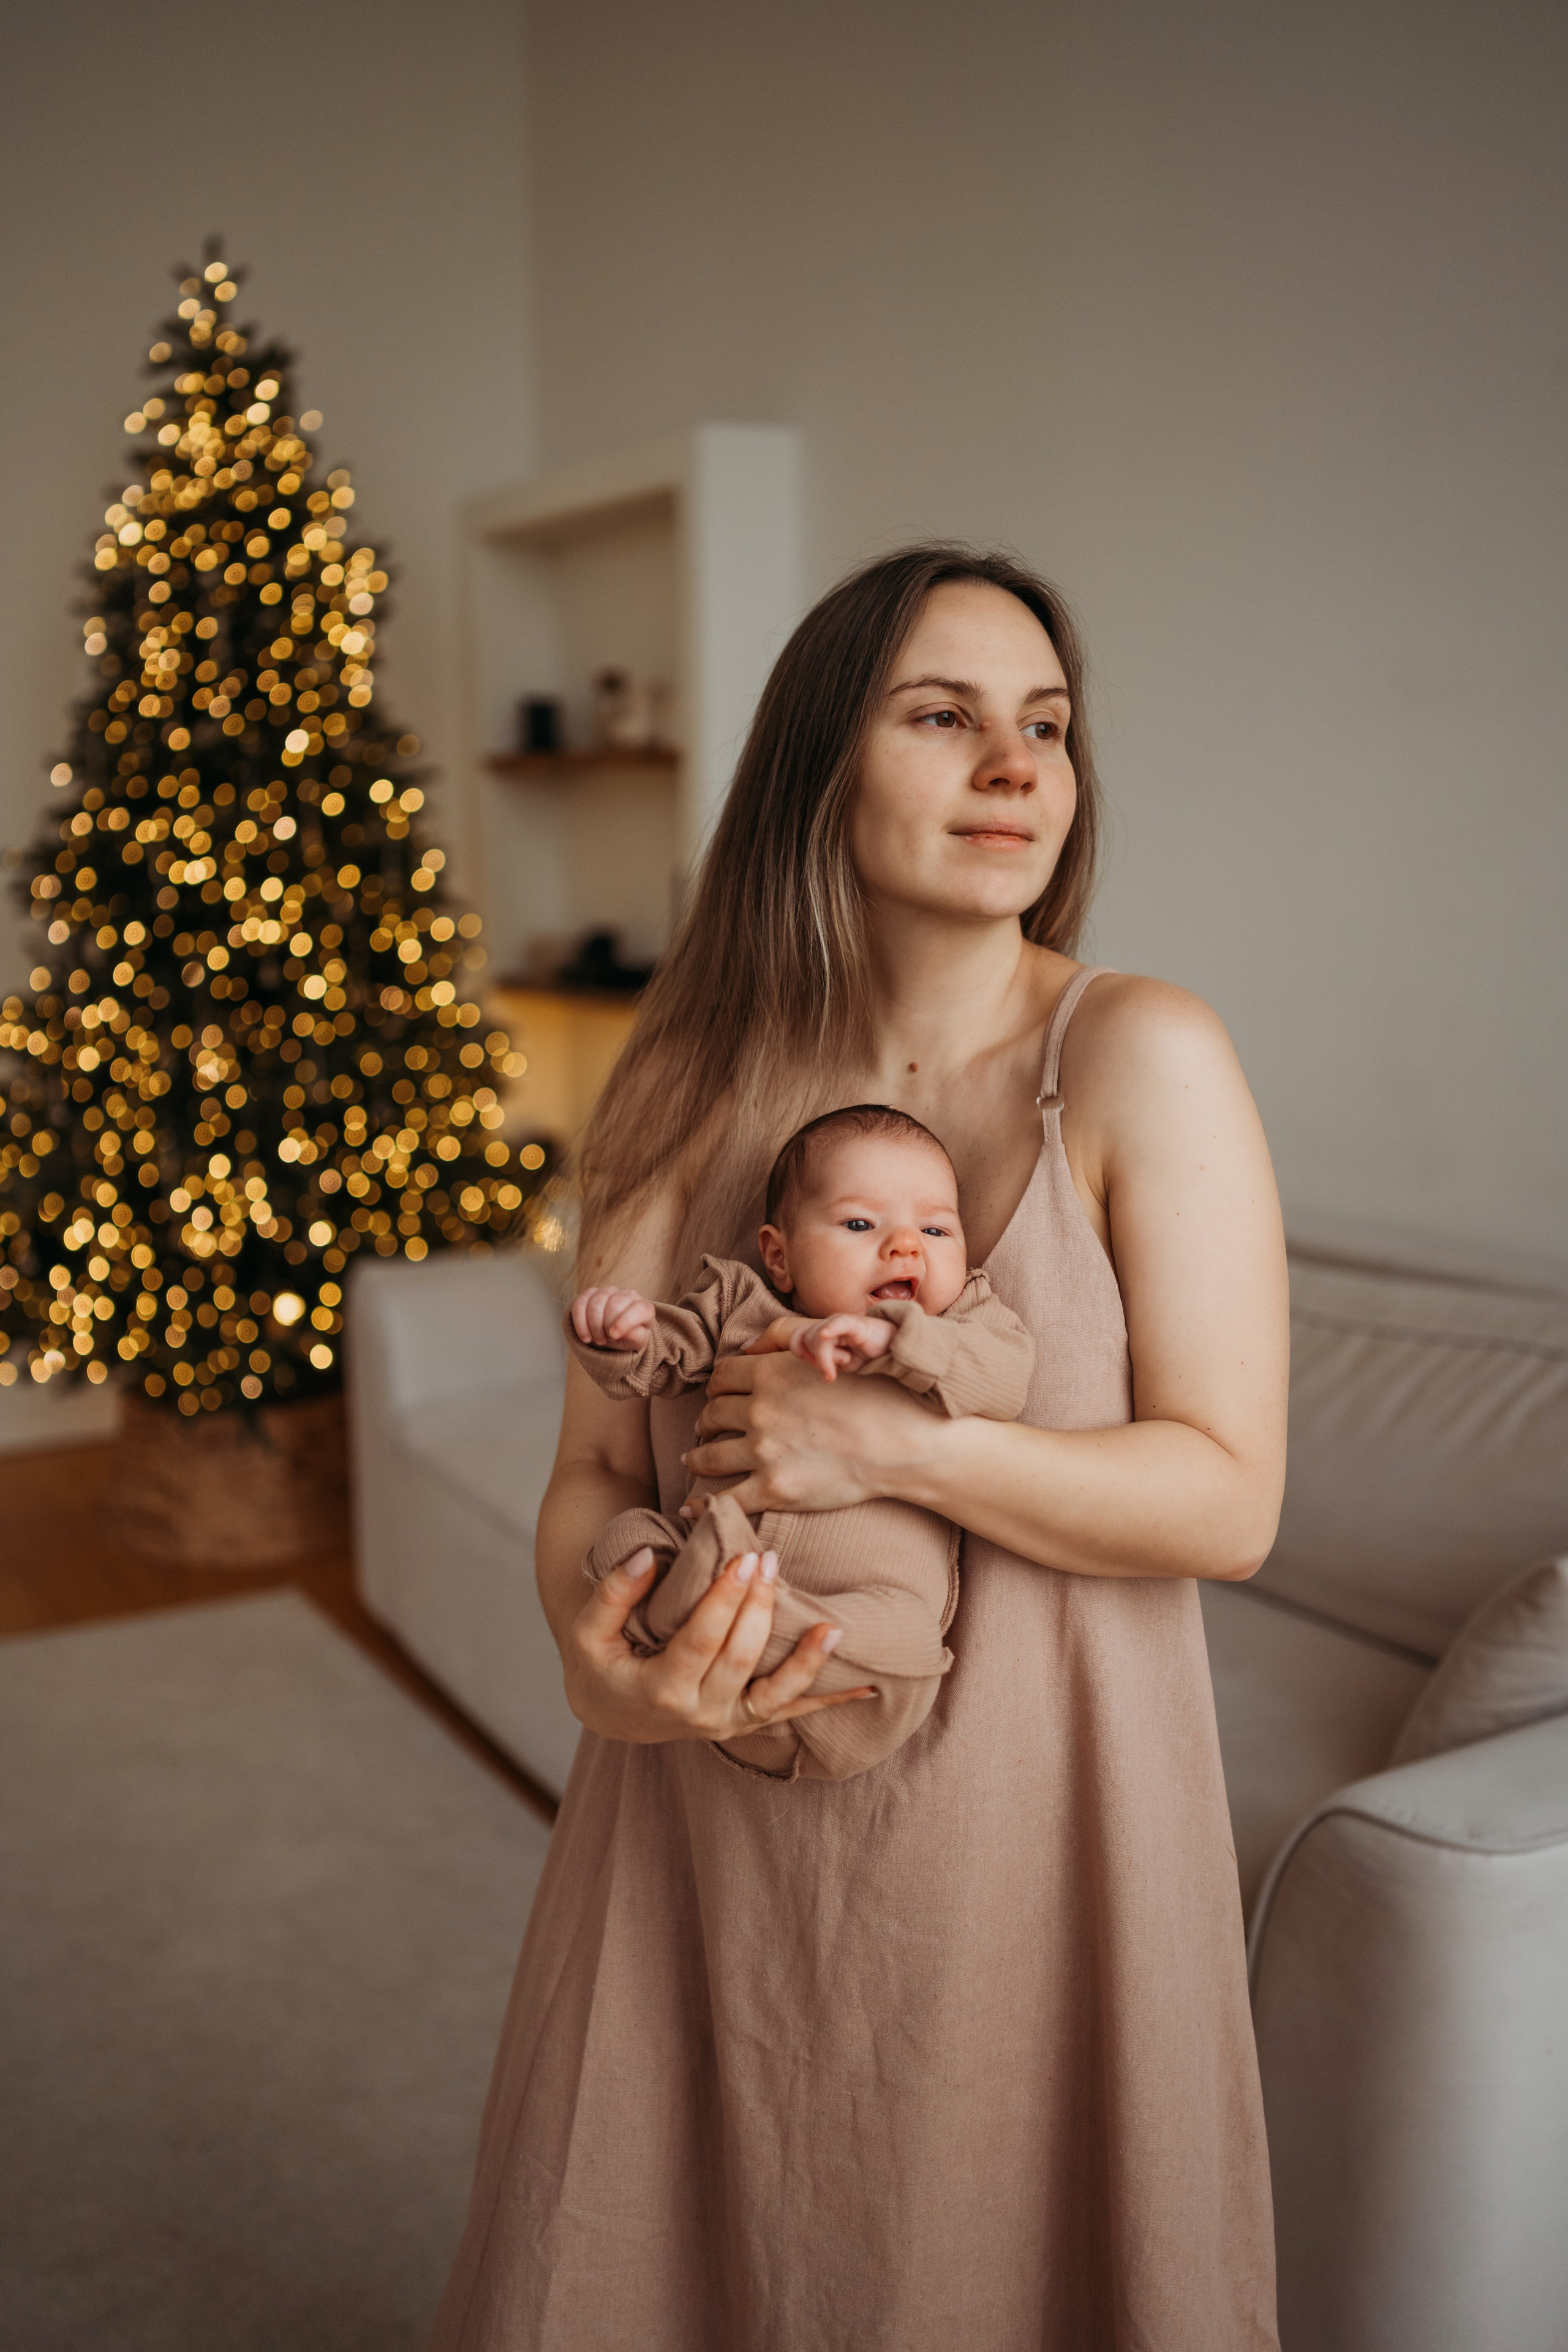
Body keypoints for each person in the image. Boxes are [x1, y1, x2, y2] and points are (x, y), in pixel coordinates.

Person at [431, 545, 1287, 2351]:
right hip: (697, 1820)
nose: (1016, 765)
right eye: (943, 715)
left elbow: (1228, 1497)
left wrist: (885, 1451)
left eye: (1045, 724)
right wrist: (597, 1660)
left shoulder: (1137, 1052)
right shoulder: (678, 1078)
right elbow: (593, 1474)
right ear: (821, 762)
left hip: (1041, 1841)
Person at [564, 1102, 1035, 1781]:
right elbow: (664, 1359)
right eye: (860, 1224)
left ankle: (756, 1616)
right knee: (626, 1543)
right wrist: (624, 1331)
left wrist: (904, 1341)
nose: (906, 1246)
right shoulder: (741, 1309)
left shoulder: (965, 1324)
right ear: (779, 1258)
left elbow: (1005, 1381)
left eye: (935, 1230)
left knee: (908, 1637)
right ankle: (712, 1604)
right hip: (699, 1663)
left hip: (857, 1644)